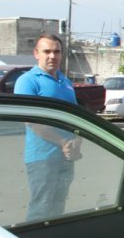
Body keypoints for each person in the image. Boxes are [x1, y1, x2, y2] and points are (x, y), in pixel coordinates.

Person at [14, 34, 81, 221]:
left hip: (65, 158)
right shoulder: (28, 81)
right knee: (41, 210)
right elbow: (31, 120)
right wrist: (63, 142)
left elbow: (76, 118)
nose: (52, 56)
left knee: (57, 209)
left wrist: (77, 142)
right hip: (42, 158)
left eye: (57, 51)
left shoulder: (66, 82)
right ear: (36, 54)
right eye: (47, 51)